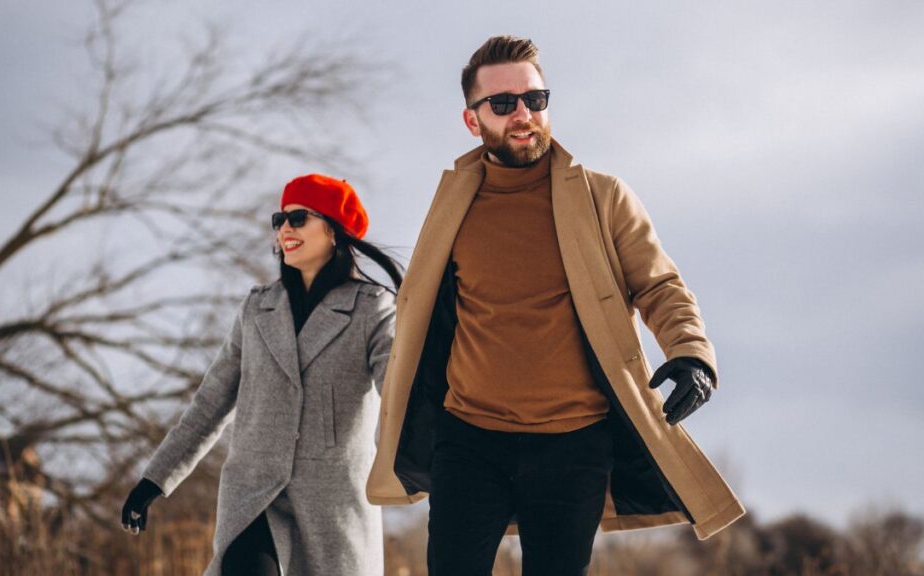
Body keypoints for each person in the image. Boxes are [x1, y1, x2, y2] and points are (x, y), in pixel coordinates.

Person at [366, 36, 745, 575]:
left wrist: (691, 353)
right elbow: (425, 308)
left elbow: (660, 285)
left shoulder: (602, 196)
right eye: (503, 104)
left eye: (535, 100)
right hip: (468, 437)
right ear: (473, 120)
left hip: (572, 444)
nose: (523, 114)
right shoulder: (452, 203)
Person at [121, 174, 400, 576]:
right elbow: (210, 404)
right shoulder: (257, 310)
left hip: (331, 509)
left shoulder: (372, 310)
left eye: (299, 218)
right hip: (253, 498)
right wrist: (155, 479)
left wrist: (423, 456)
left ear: (334, 231)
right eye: (279, 219)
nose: (285, 228)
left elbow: (396, 391)